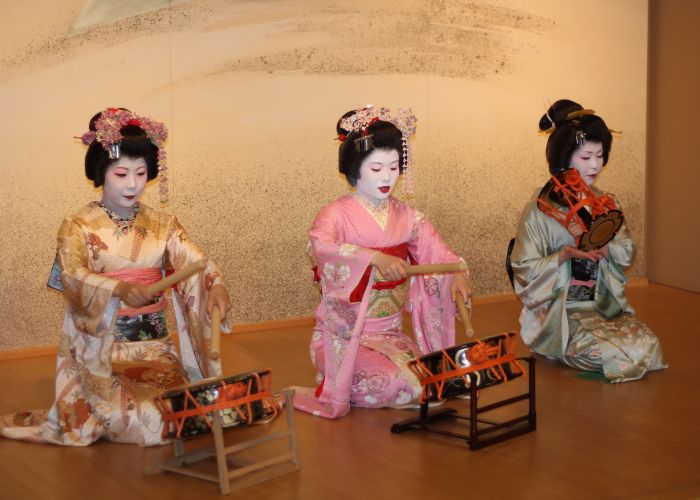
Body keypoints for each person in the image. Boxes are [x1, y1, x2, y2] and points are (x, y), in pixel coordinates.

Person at [0, 107, 231, 445]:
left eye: (140, 173)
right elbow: (74, 276)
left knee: (183, 410)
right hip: (100, 352)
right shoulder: (77, 225)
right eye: (121, 174)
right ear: (101, 172)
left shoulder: (164, 225)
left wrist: (217, 286)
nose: (133, 184)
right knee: (148, 420)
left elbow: (196, 260)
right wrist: (120, 288)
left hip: (153, 350)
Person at [293, 106, 472, 418]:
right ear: (354, 169)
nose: (387, 177)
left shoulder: (408, 216)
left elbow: (441, 256)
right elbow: (322, 246)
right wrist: (373, 259)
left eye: (393, 167)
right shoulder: (335, 214)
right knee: (395, 385)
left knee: (437, 378)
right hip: (345, 337)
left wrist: (457, 274)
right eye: (376, 169)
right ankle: (336, 376)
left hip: (390, 335)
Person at [510, 99, 667, 382]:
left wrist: (605, 248)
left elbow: (627, 249)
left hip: (598, 303)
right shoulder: (538, 209)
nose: (596, 165)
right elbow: (522, 265)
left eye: (600, 155)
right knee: (605, 354)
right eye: (586, 157)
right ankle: (553, 344)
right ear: (563, 159)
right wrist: (563, 256)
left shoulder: (606, 202)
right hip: (558, 310)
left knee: (648, 347)